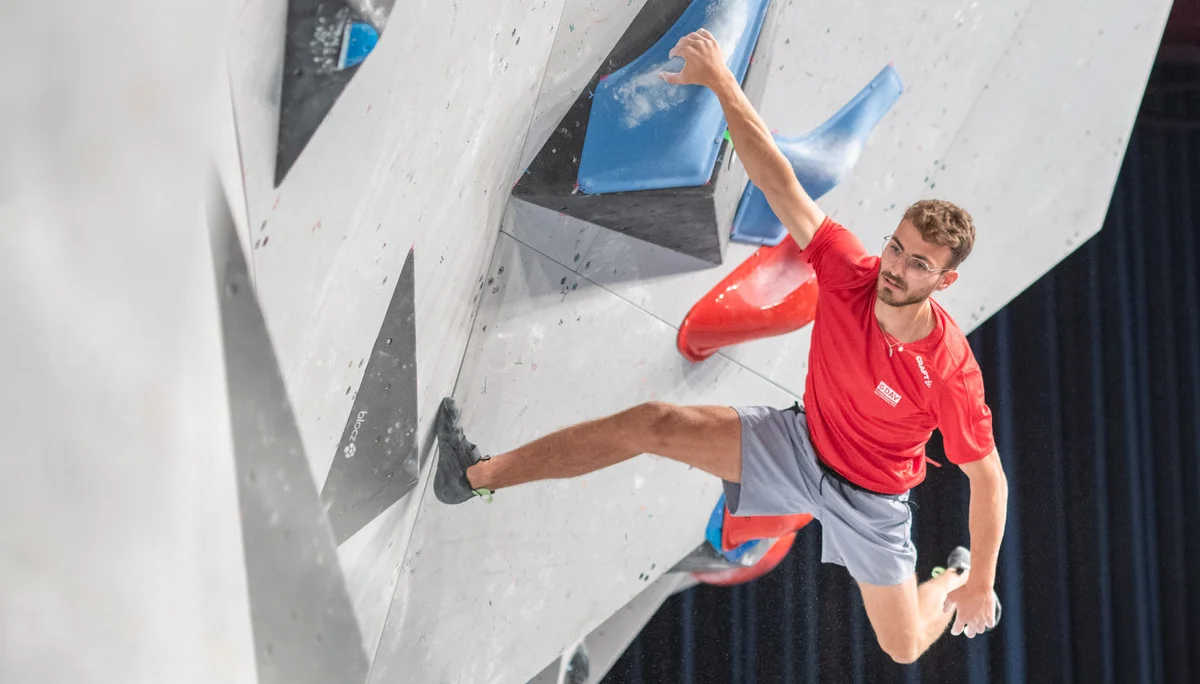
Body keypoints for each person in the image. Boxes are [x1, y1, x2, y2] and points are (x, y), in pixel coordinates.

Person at [434, 28, 1008, 664]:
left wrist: (979, 580)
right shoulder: (852, 270)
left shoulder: (949, 370)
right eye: (895, 246)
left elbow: (989, 482)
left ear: (945, 280)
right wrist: (722, 83)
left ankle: (946, 581)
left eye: (917, 263)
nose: (895, 267)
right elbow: (781, 181)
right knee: (655, 423)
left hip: (872, 501)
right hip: (800, 445)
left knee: (902, 647)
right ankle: (474, 475)